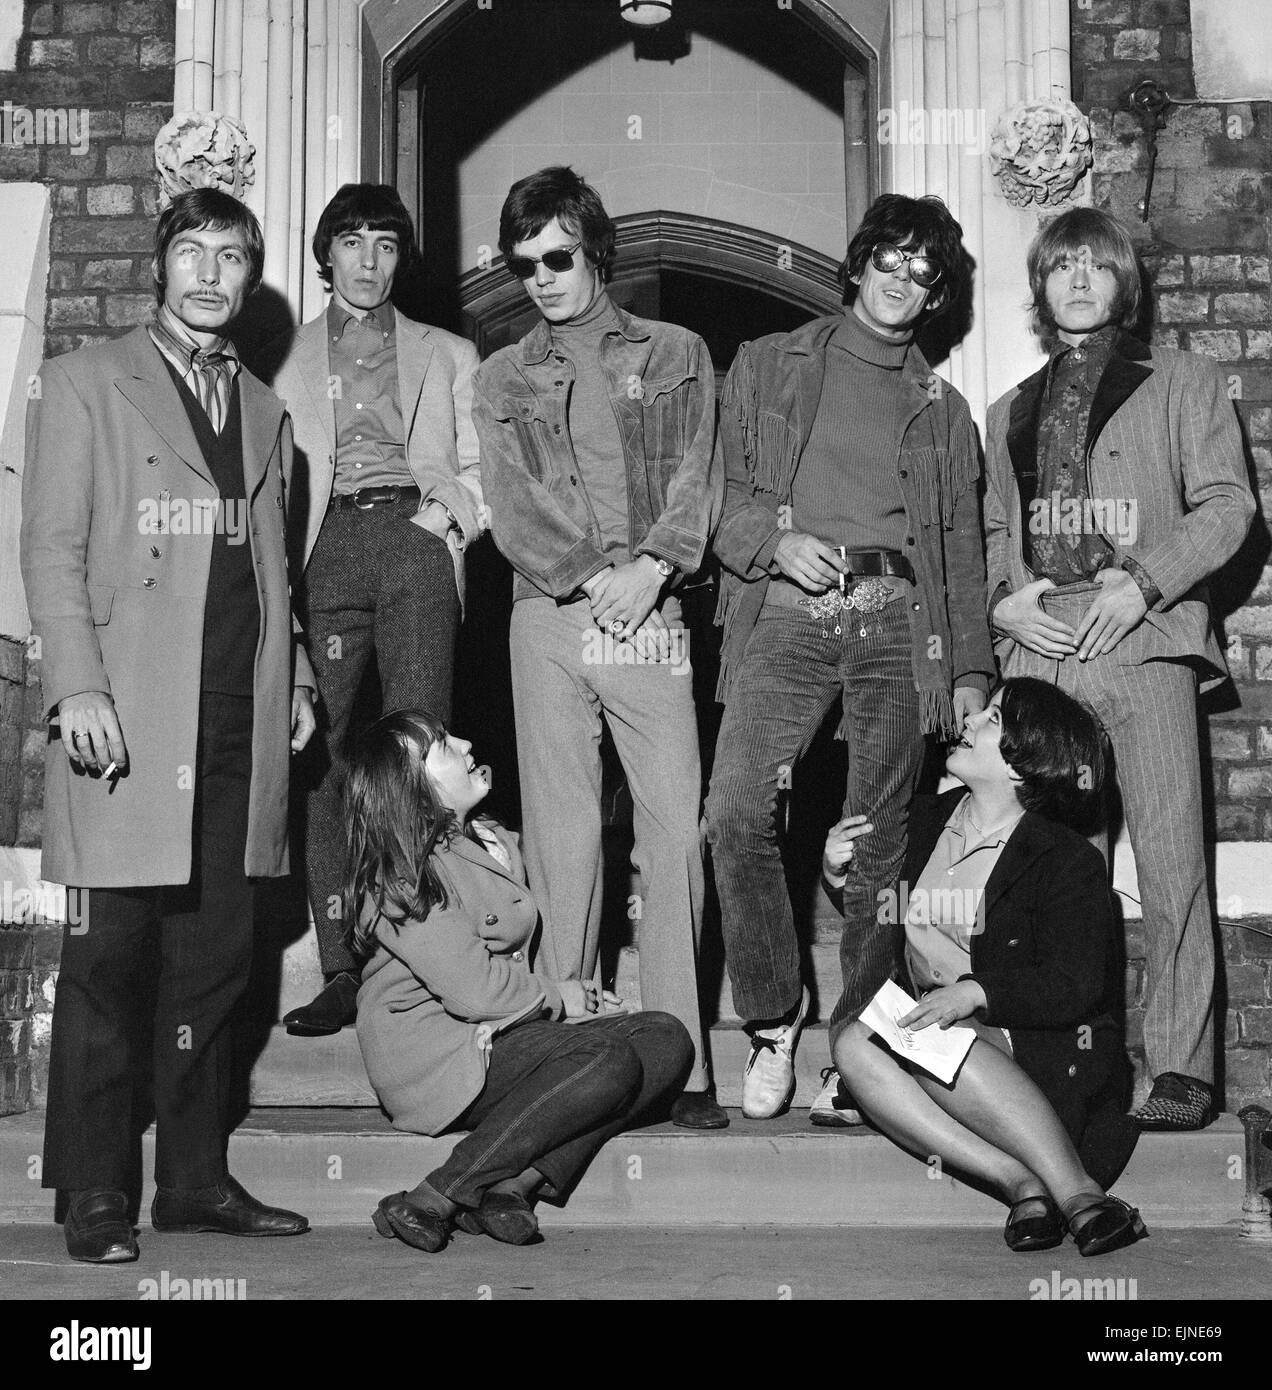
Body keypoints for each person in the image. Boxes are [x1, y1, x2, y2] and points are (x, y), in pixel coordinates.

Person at [21, 188, 316, 1263]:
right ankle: (96, 1194)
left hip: (238, 711)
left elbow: (273, 570)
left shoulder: (270, 412)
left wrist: (295, 687)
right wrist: (78, 686)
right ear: (161, 264)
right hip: (129, 710)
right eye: (190, 251)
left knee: (217, 959)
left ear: (250, 275)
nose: (208, 273)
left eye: (230, 256)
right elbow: (51, 547)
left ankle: (194, 1180)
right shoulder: (84, 382)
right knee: (109, 960)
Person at [705, 194, 995, 1122]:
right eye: (891, 259)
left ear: (937, 295)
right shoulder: (767, 363)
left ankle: (857, 1049)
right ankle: (770, 1020)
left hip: (896, 617)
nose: (902, 281)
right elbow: (716, 490)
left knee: (879, 841)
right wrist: (771, 542)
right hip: (790, 607)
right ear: (860, 260)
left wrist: (970, 673)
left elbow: (959, 549)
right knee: (735, 810)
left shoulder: (945, 412)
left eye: (925, 272)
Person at [983, 207, 1255, 1130]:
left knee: (1173, 864)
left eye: (1098, 267)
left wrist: (1142, 583)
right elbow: (992, 534)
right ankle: (1073, 1070)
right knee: (1060, 877)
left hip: (1143, 642)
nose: (1081, 282)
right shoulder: (1006, 410)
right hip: (1045, 652)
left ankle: (1180, 1071)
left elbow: (1228, 509)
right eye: (1063, 268)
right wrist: (1004, 600)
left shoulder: (1184, 379)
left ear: (1122, 282)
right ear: (1041, 287)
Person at [471, 167, 726, 1129]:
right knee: (564, 839)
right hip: (548, 615)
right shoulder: (500, 377)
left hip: (650, 611)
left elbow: (699, 472)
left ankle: (679, 1067)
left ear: (596, 250)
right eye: (523, 263)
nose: (541, 277)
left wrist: (651, 570)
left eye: (559, 257)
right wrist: (591, 578)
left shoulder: (677, 351)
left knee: (672, 830)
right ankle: (560, 1048)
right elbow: (512, 507)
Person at [347, 710, 693, 1250]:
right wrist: (559, 999)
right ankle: (436, 1194)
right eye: (442, 745)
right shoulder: (399, 871)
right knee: (604, 1059)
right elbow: (474, 991)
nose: (464, 743)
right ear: (413, 788)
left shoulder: (488, 842)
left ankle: (513, 1185)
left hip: (498, 1030)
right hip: (438, 1050)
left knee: (667, 1038)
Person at [270, 184, 485, 1038]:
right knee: (319, 755)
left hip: (415, 539)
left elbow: (482, 467)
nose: (369, 260)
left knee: (421, 749)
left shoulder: (449, 352)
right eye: (352, 242)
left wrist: (445, 521)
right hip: (322, 549)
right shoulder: (279, 359)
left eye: (386, 244)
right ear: (326, 255)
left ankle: (418, 954)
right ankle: (338, 964)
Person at [830, 678, 1146, 1256]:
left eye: (993, 719)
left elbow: (1074, 986)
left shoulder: (1066, 858)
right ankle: (1017, 1180)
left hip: (1040, 1054)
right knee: (853, 1045)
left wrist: (975, 994)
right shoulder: (923, 822)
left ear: (1025, 763)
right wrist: (838, 870)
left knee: (931, 1035)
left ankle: (1080, 1195)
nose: (970, 720)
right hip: (940, 1042)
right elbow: (879, 912)